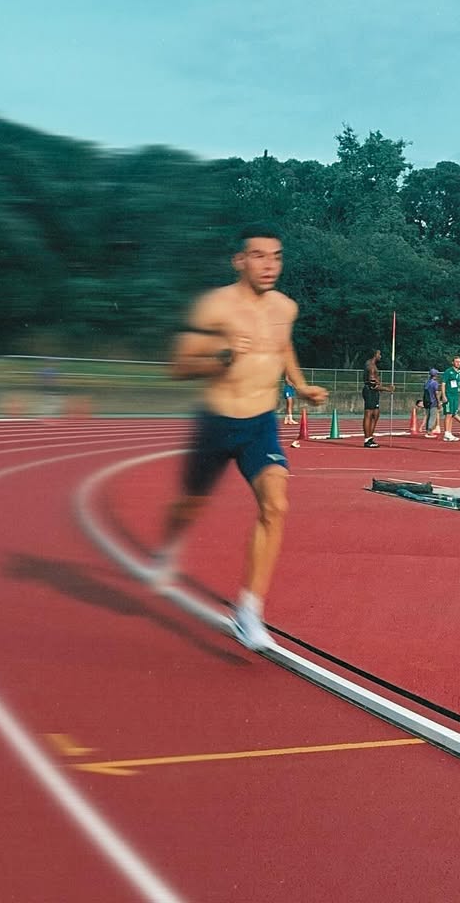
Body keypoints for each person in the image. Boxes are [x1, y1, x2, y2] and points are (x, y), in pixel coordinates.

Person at [159, 225, 328, 650]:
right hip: (217, 421)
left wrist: (301, 386)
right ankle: (168, 547)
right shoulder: (214, 306)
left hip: (260, 424)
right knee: (190, 503)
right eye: (258, 256)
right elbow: (179, 366)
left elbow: (283, 347)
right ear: (239, 261)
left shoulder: (285, 307)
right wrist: (223, 355)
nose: (270, 265)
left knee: (276, 505)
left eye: (276, 256)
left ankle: (248, 610)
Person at [361, 349, 393, 448]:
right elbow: (372, 385)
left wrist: (380, 386)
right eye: (379, 354)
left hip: (373, 392)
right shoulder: (371, 367)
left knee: (375, 414)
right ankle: (367, 439)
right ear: (375, 355)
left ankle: (370, 437)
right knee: (369, 414)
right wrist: (387, 389)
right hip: (370, 392)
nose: (380, 356)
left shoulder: (372, 365)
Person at [441, 355, 460, 441]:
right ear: (453, 362)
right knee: (448, 414)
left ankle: (449, 433)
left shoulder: (459, 372)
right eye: (456, 362)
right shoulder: (448, 371)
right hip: (449, 395)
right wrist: (444, 395)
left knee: (453, 414)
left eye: (459, 362)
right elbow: (443, 384)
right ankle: (446, 433)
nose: (458, 363)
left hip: (455, 395)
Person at [422, 368, 442, 436]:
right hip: (433, 401)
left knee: (428, 415)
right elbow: (436, 393)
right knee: (432, 416)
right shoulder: (435, 383)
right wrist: (438, 402)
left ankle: (427, 429)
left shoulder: (426, 382)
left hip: (426, 400)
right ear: (435, 375)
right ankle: (430, 430)